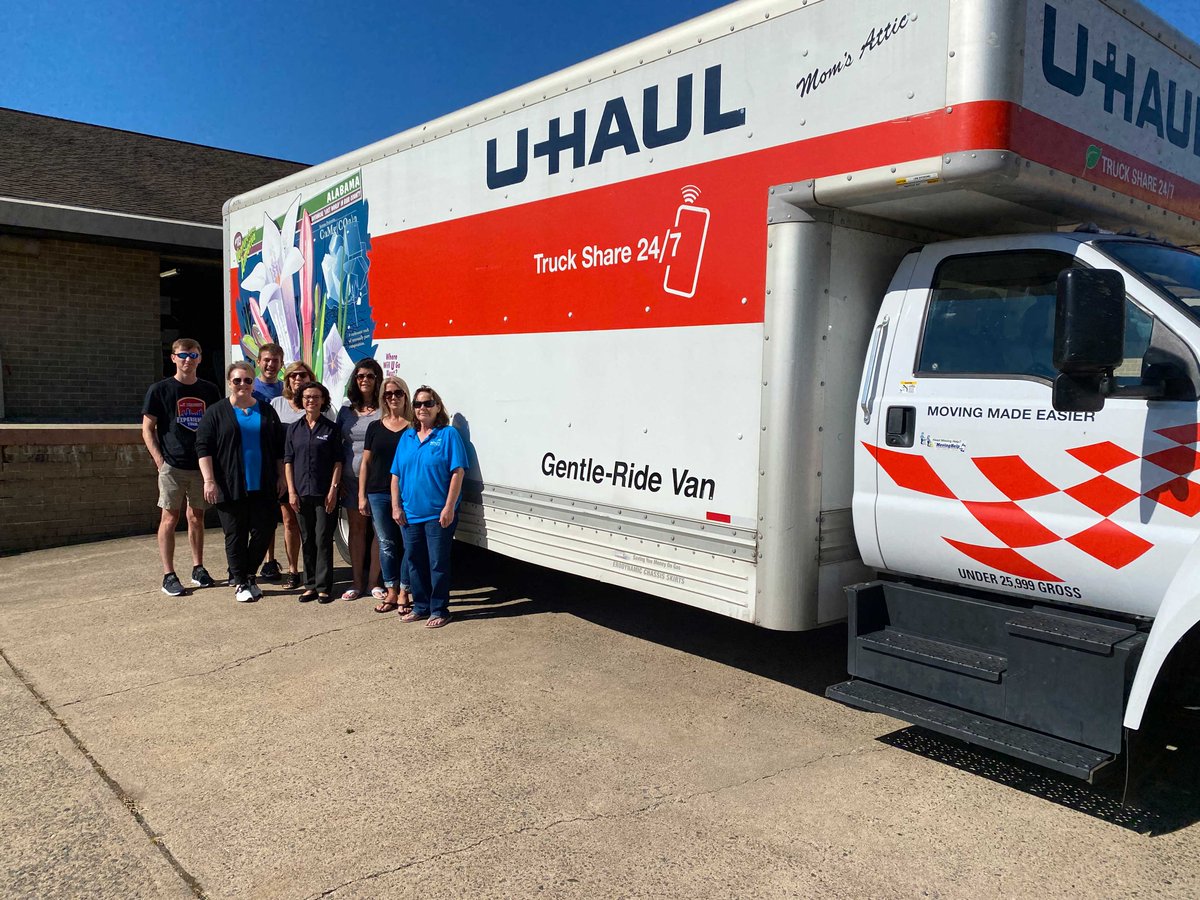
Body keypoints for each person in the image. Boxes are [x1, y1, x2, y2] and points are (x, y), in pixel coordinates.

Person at [196, 361, 286, 603]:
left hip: (263, 483)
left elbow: (279, 448)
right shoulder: (216, 412)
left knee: (264, 530)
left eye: (247, 380)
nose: (243, 385)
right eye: (237, 380)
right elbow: (203, 447)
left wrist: (281, 477)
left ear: (253, 382)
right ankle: (240, 582)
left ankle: (247, 575)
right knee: (235, 534)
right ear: (229, 383)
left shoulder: (267, 411)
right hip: (229, 484)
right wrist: (209, 480)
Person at [141, 338, 221, 597]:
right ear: (173, 358)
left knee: (197, 517)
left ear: (200, 358)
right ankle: (169, 574)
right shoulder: (160, 390)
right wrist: (159, 461)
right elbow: (147, 429)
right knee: (169, 518)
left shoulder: (210, 390)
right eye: (183, 355)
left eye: (194, 355)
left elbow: (216, 427)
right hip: (172, 466)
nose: (188, 359)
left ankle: (198, 568)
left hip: (200, 466)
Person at [391, 385, 467, 628]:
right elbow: (395, 475)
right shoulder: (407, 436)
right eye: (418, 404)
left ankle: (440, 610)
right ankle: (421, 606)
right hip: (410, 513)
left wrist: (449, 507)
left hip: (437, 514)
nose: (422, 408)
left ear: (437, 407)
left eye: (427, 403)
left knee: (437, 563)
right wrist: (396, 506)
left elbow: (457, 472)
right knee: (415, 561)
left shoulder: (448, 435)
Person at [285, 381, 343, 603]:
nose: (311, 400)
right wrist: (291, 491)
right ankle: (309, 585)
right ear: (302, 400)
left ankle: (324, 587)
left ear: (323, 400)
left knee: (323, 538)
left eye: (316, 397)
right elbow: (288, 461)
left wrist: (333, 490)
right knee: (307, 538)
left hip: (324, 493)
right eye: (308, 397)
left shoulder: (331, 429)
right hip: (300, 492)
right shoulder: (294, 429)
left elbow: (338, 461)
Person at [360, 375, 413, 614]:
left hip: (407, 495)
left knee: (408, 544)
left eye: (398, 393)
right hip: (378, 493)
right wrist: (362, 495)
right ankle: (391, 590)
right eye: (388, 394)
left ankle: (405, 590)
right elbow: (366, 463)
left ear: (405, 396)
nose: (393, 397)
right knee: (387, 544)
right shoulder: (375, 427)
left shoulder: (413, 428)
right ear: (383, 398)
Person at [268, 361, 324, 589]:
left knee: (314, 528)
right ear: (287, 379)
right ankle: (293, 570)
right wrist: (280, 476)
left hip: (314, 476)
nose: (298, 379)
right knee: (290, 522)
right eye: (293, 375)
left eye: (303, 375)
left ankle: (317, 572)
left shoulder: (318, 403)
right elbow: (273, 445)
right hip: (287, 474)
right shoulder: (277, 404)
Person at [337, 357, 384, 601]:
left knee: (378, 531)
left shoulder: (385, 409)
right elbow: (337, 445)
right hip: (350, 480)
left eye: (370, 376)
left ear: (378, 380)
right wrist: (336, 479)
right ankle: (356, 582)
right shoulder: (346, 410)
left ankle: (374, 582)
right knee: (356, 530)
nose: (364, 380)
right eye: (360, 376)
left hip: (378, 481)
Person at [252, 343, 287, 582]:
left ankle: (269, 561)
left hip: (278, 459)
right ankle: (247, 561)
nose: (270, 365)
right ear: (258, 361)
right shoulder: (248, 387)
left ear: (281, 363)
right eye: (266, 360)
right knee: (251, 515)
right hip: (253, 457)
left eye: (275, 360)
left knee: (271, 514)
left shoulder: (286, 390)